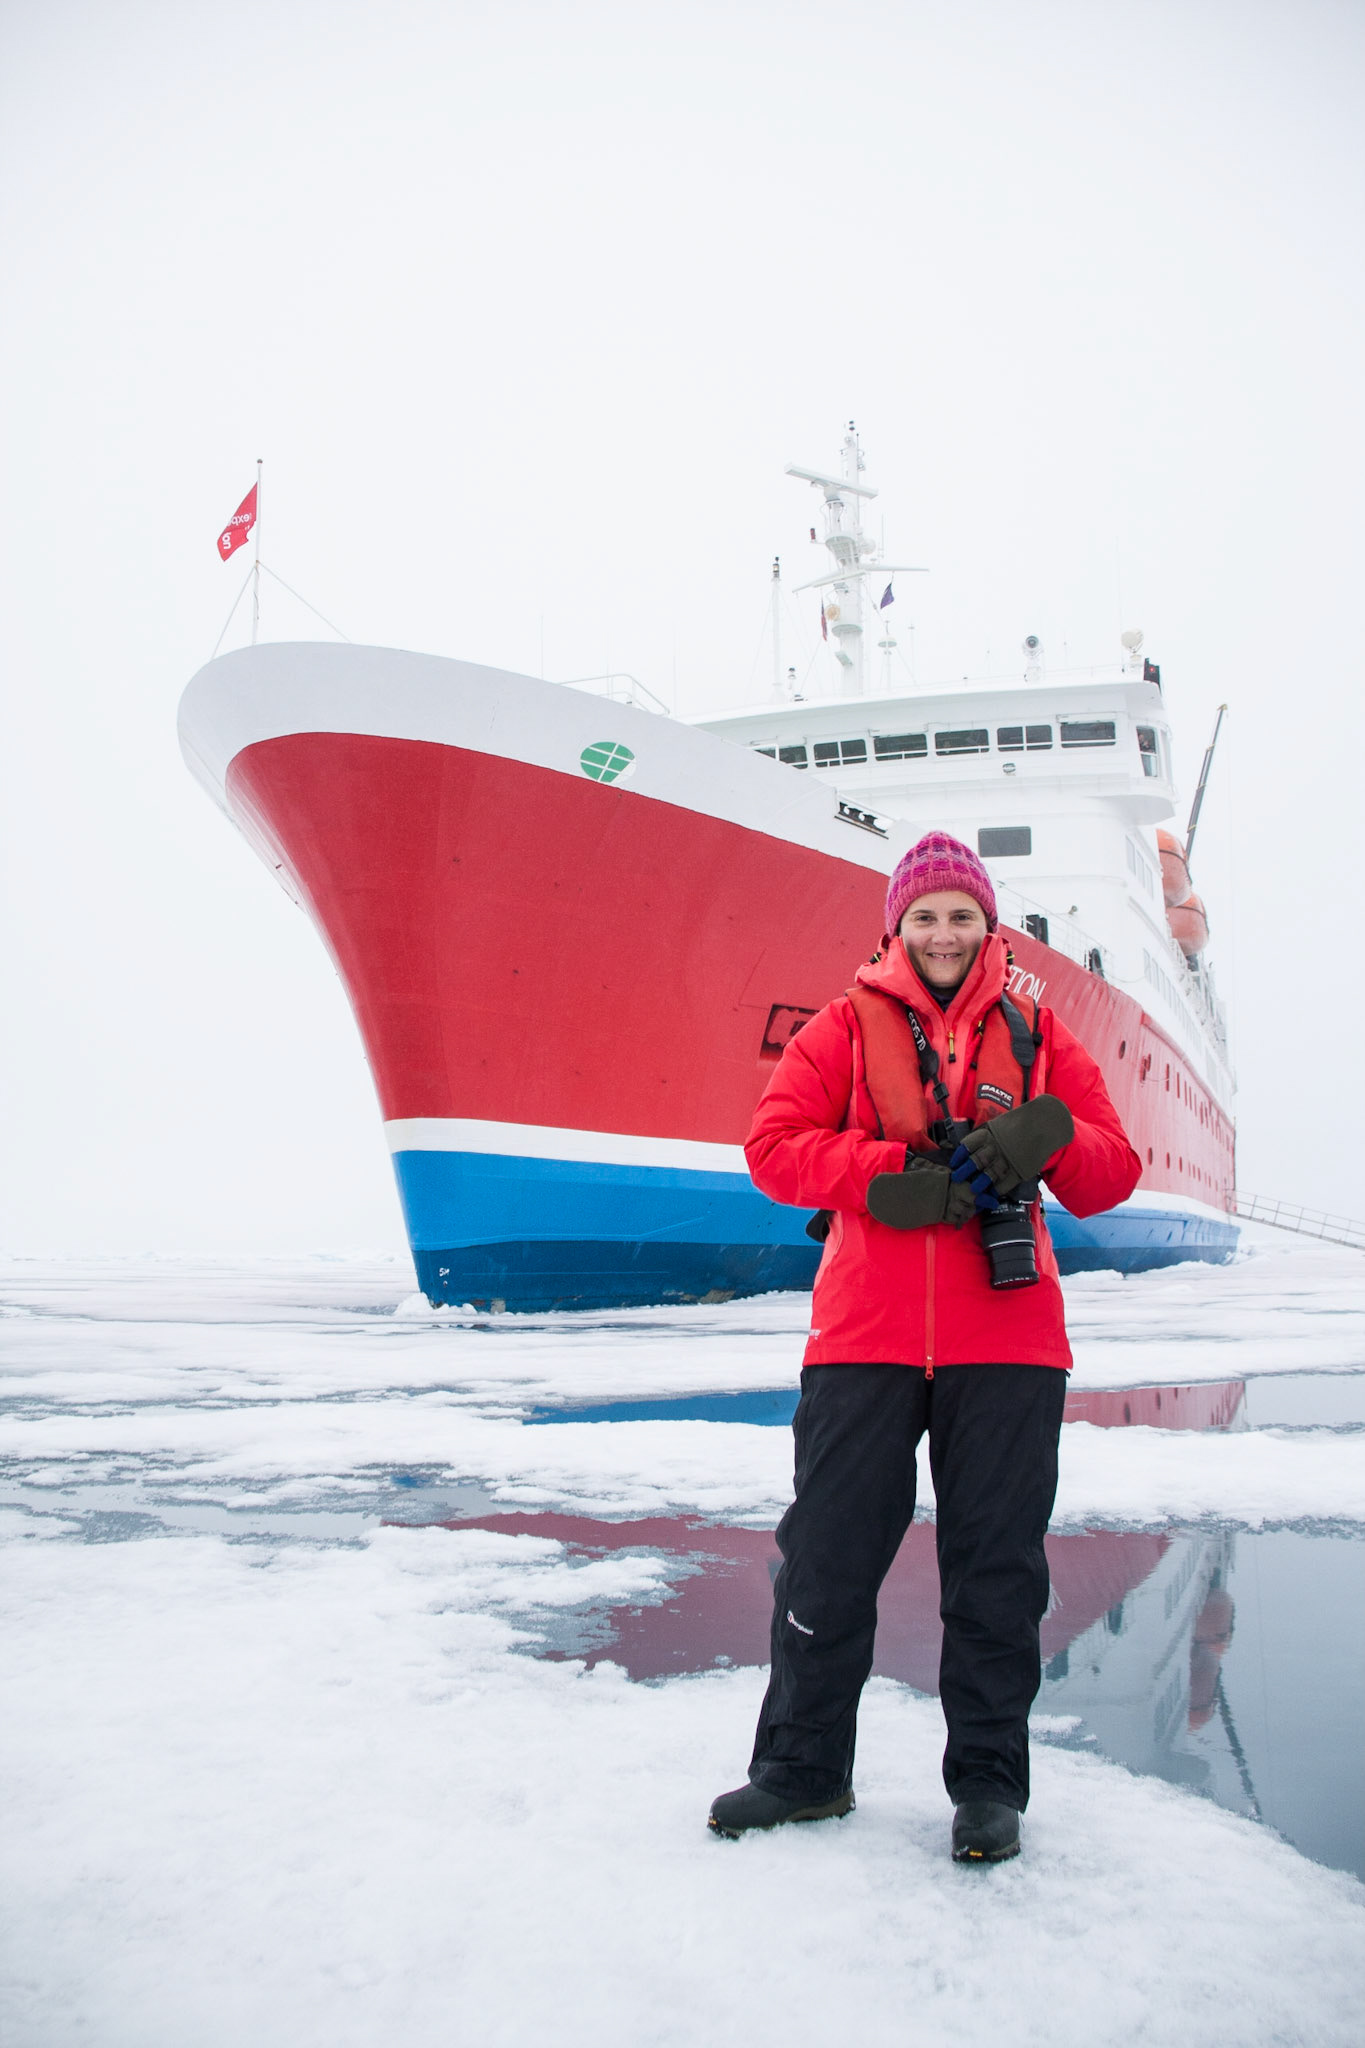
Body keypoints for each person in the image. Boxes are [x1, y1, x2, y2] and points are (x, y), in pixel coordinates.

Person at [708, 830, 1141, 1862]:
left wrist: (1048, 1134)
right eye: (925, 915)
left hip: (1011, 1337)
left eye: (961, 914)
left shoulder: (1039, 1032)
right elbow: (772, 1146)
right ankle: (802, 1770)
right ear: (895, 927)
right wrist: (881, 1177)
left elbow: (1114, 1169)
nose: (943, 932)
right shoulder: (839, 1030)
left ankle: (988, 1787)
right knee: (826, 1556)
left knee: (996, 1569)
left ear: (988, 926)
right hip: (865, 1334)